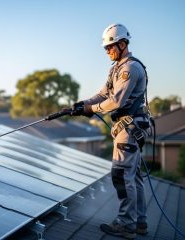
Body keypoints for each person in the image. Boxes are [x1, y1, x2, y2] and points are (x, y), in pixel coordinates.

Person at [70, 23, 152, 239]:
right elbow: (102, 94)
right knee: (133, 177)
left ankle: (126, 225)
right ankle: (139, 223)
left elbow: (115, 101)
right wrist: (80, 105)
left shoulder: (129, 69)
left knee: (122, 175)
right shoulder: (116, 68)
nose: (107, 51)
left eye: (110, 47)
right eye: (106, 48)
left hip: (131, 126)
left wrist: (91, 109)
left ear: (123, 44)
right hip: (130, 126)